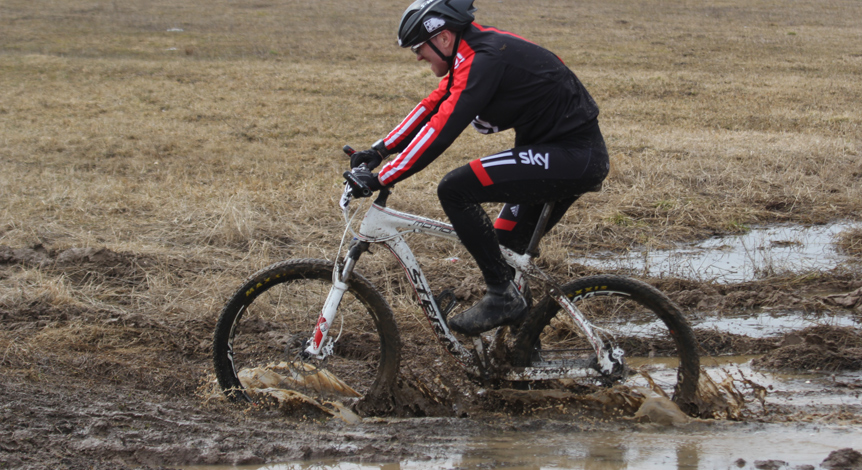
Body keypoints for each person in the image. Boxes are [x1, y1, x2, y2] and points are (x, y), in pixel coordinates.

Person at [351, 0, 610, 336]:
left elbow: (442, 129)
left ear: (443, 38)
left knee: (455, 188)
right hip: (558, 154)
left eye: (419, 47)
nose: (417, 56)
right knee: (502, 250)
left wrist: (381, 177)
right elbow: (435, 104)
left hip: (573, 156)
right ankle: (521, 352)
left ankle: (503, 298)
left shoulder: (484, 58)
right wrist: (379, 150)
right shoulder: (471, 51)